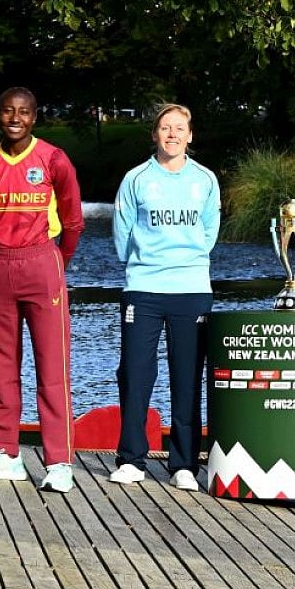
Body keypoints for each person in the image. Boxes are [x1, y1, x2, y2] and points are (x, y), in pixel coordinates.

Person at [0, 87, 85, 493]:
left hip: (42, 262)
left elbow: (72, 223)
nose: (15, 118)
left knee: (52, 367)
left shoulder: (53, 159)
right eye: (7, 111)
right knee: (1, 365)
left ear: (35, 117)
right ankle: (6, 454)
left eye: (23, 112)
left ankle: (58, 462)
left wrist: (53, 263)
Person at [110, 103, 220, 490]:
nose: (172, 134)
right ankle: (132, 459)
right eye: (164, 128)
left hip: (191, 290)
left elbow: (209, 233)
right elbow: (122, 234)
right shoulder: (136, 178)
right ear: (154, 135)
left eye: (179, 128)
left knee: (187, 377)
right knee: (137, 374)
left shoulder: (205, 179)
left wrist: (185, 262)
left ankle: (184, 464)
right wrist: (142, 264)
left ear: (190, 136)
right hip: (143, 288)